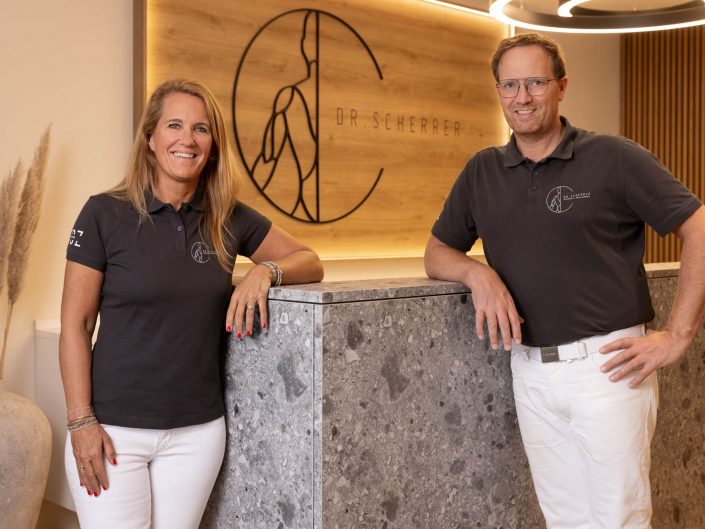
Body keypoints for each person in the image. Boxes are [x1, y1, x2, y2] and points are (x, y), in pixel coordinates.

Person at [425, 33, 705, 529]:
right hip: (530, 371)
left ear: (561, 86)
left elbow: (699, 228)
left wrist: (678, 335)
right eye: (510, 85)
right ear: (498, 91)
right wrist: (477, 273)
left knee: (619, 520)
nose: (522, 97)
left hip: (609, 368)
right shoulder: (483, 170)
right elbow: (437, 252)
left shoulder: (613, 157)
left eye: (536, 82)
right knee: (564, 521)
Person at [59, 79, 324, 529]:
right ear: (150, 137)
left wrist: (264, 271)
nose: (188, 139)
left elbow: (309, 260)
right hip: (113, 430)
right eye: (174, 125)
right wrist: (80, 421)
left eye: (201, 129)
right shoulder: (104, 213)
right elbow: (76, 326)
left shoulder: (228, 216)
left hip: (197, 435)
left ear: (213, 145)